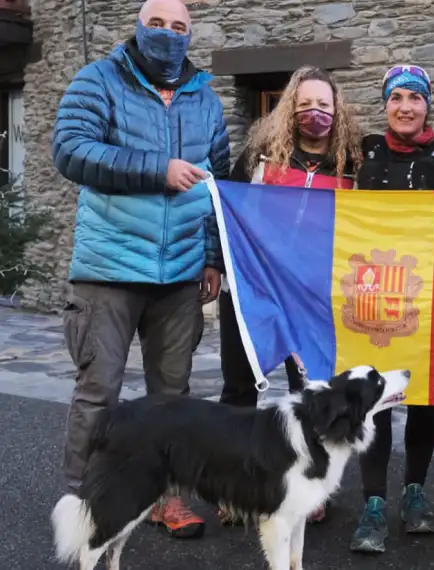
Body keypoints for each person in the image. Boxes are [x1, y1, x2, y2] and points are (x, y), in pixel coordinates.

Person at [51, 0, 228, 539]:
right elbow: (70, 150)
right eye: (157, 24)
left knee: (172, 398)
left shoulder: (206, 100)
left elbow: (218, 185)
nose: (167, 35)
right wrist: (158, 170)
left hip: (178, 275)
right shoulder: (98, 79)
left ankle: (165, 497)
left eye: (179, 27)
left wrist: (213, 257)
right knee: (98, 392)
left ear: (190, 35)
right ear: (137, 26)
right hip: (107, 270)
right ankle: (83, 502)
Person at [217, 64, 362, 525]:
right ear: (288, 111)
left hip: (315, 298)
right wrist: (218, 268)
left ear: (338, 111)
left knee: (313, 393)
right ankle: (235, 485)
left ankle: (312, 486)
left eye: (323, 104)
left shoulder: (354, 166)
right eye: (304, 105)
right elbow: (227, 215)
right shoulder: (259, 159)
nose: (314, 112)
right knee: (240, 389)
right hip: (255, 290)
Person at [346, 64, 434, 554]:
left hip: (427, 291)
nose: (405, 107)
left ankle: (415, 492)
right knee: (375, 399)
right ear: (385, 104)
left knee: (423, 395)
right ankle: (373, 503)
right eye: (396, 97)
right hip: (371, 289)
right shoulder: (360, 152)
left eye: (415, 99)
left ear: (427, 105)